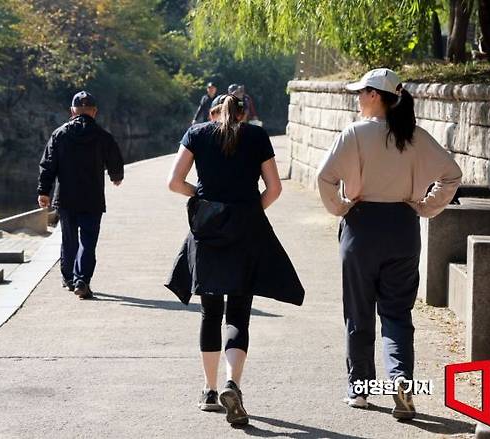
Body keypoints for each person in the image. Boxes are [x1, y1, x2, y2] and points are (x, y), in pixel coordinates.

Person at [316, 68, 462, 419]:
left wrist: (341, 207)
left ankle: (361, 388)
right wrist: (426, 207)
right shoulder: (415, 136)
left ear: (375, 96)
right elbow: (452, 175)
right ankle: (401, 381)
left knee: (359, 311)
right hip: (402, 227)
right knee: (397, 313)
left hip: (361, 227)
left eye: (361, 91)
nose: (357, 97)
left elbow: (325, 178)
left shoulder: (354, 134)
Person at [165, 95, 305, 425]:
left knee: (210, 312)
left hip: (208, 233)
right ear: (243, 114)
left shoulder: (197, 134)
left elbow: (173, 182)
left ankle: (210, 391)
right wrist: (249, 212)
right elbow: (273, 189)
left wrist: (200, 196)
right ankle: (233, 384)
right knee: (238, 313)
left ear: (217, 112)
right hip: (246, 233)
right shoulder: (257, 136)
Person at [37, 91, 124, 300]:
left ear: (72, 111)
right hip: (92, 198)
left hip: (66, 197)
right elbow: (115, 158)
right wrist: (116, 176)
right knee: (88, 240)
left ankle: (68, 278)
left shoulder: (59, 134)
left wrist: (43, 191)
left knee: (68, 239)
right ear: (94, 111)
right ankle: (82, 279)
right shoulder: (103, 135)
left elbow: (48, 164)